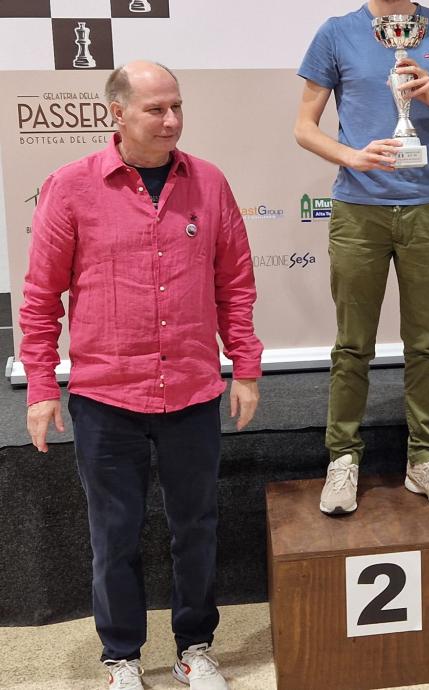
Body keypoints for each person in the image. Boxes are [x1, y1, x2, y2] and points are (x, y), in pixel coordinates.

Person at [20, 61, 262, 690]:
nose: (171, 120)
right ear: (117, 113)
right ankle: (121, 657)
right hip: (106, 396)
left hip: (191, 392)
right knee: (114, 535)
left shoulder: (210, 183)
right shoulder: (69, 187)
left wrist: (246, 365)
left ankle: (195, 647)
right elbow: (41, 297)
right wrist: (42, 387)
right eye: (156, 109)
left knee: (196, 528)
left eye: (177, 106)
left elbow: (235, 283)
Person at [294, 0, 429, 516]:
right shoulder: (336, 33)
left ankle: (424, 459)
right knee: (352, 346)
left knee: (426, 345)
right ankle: (343, 459)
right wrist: (352, 155)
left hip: (428, 208)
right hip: (359, 209)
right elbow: (303, 127)